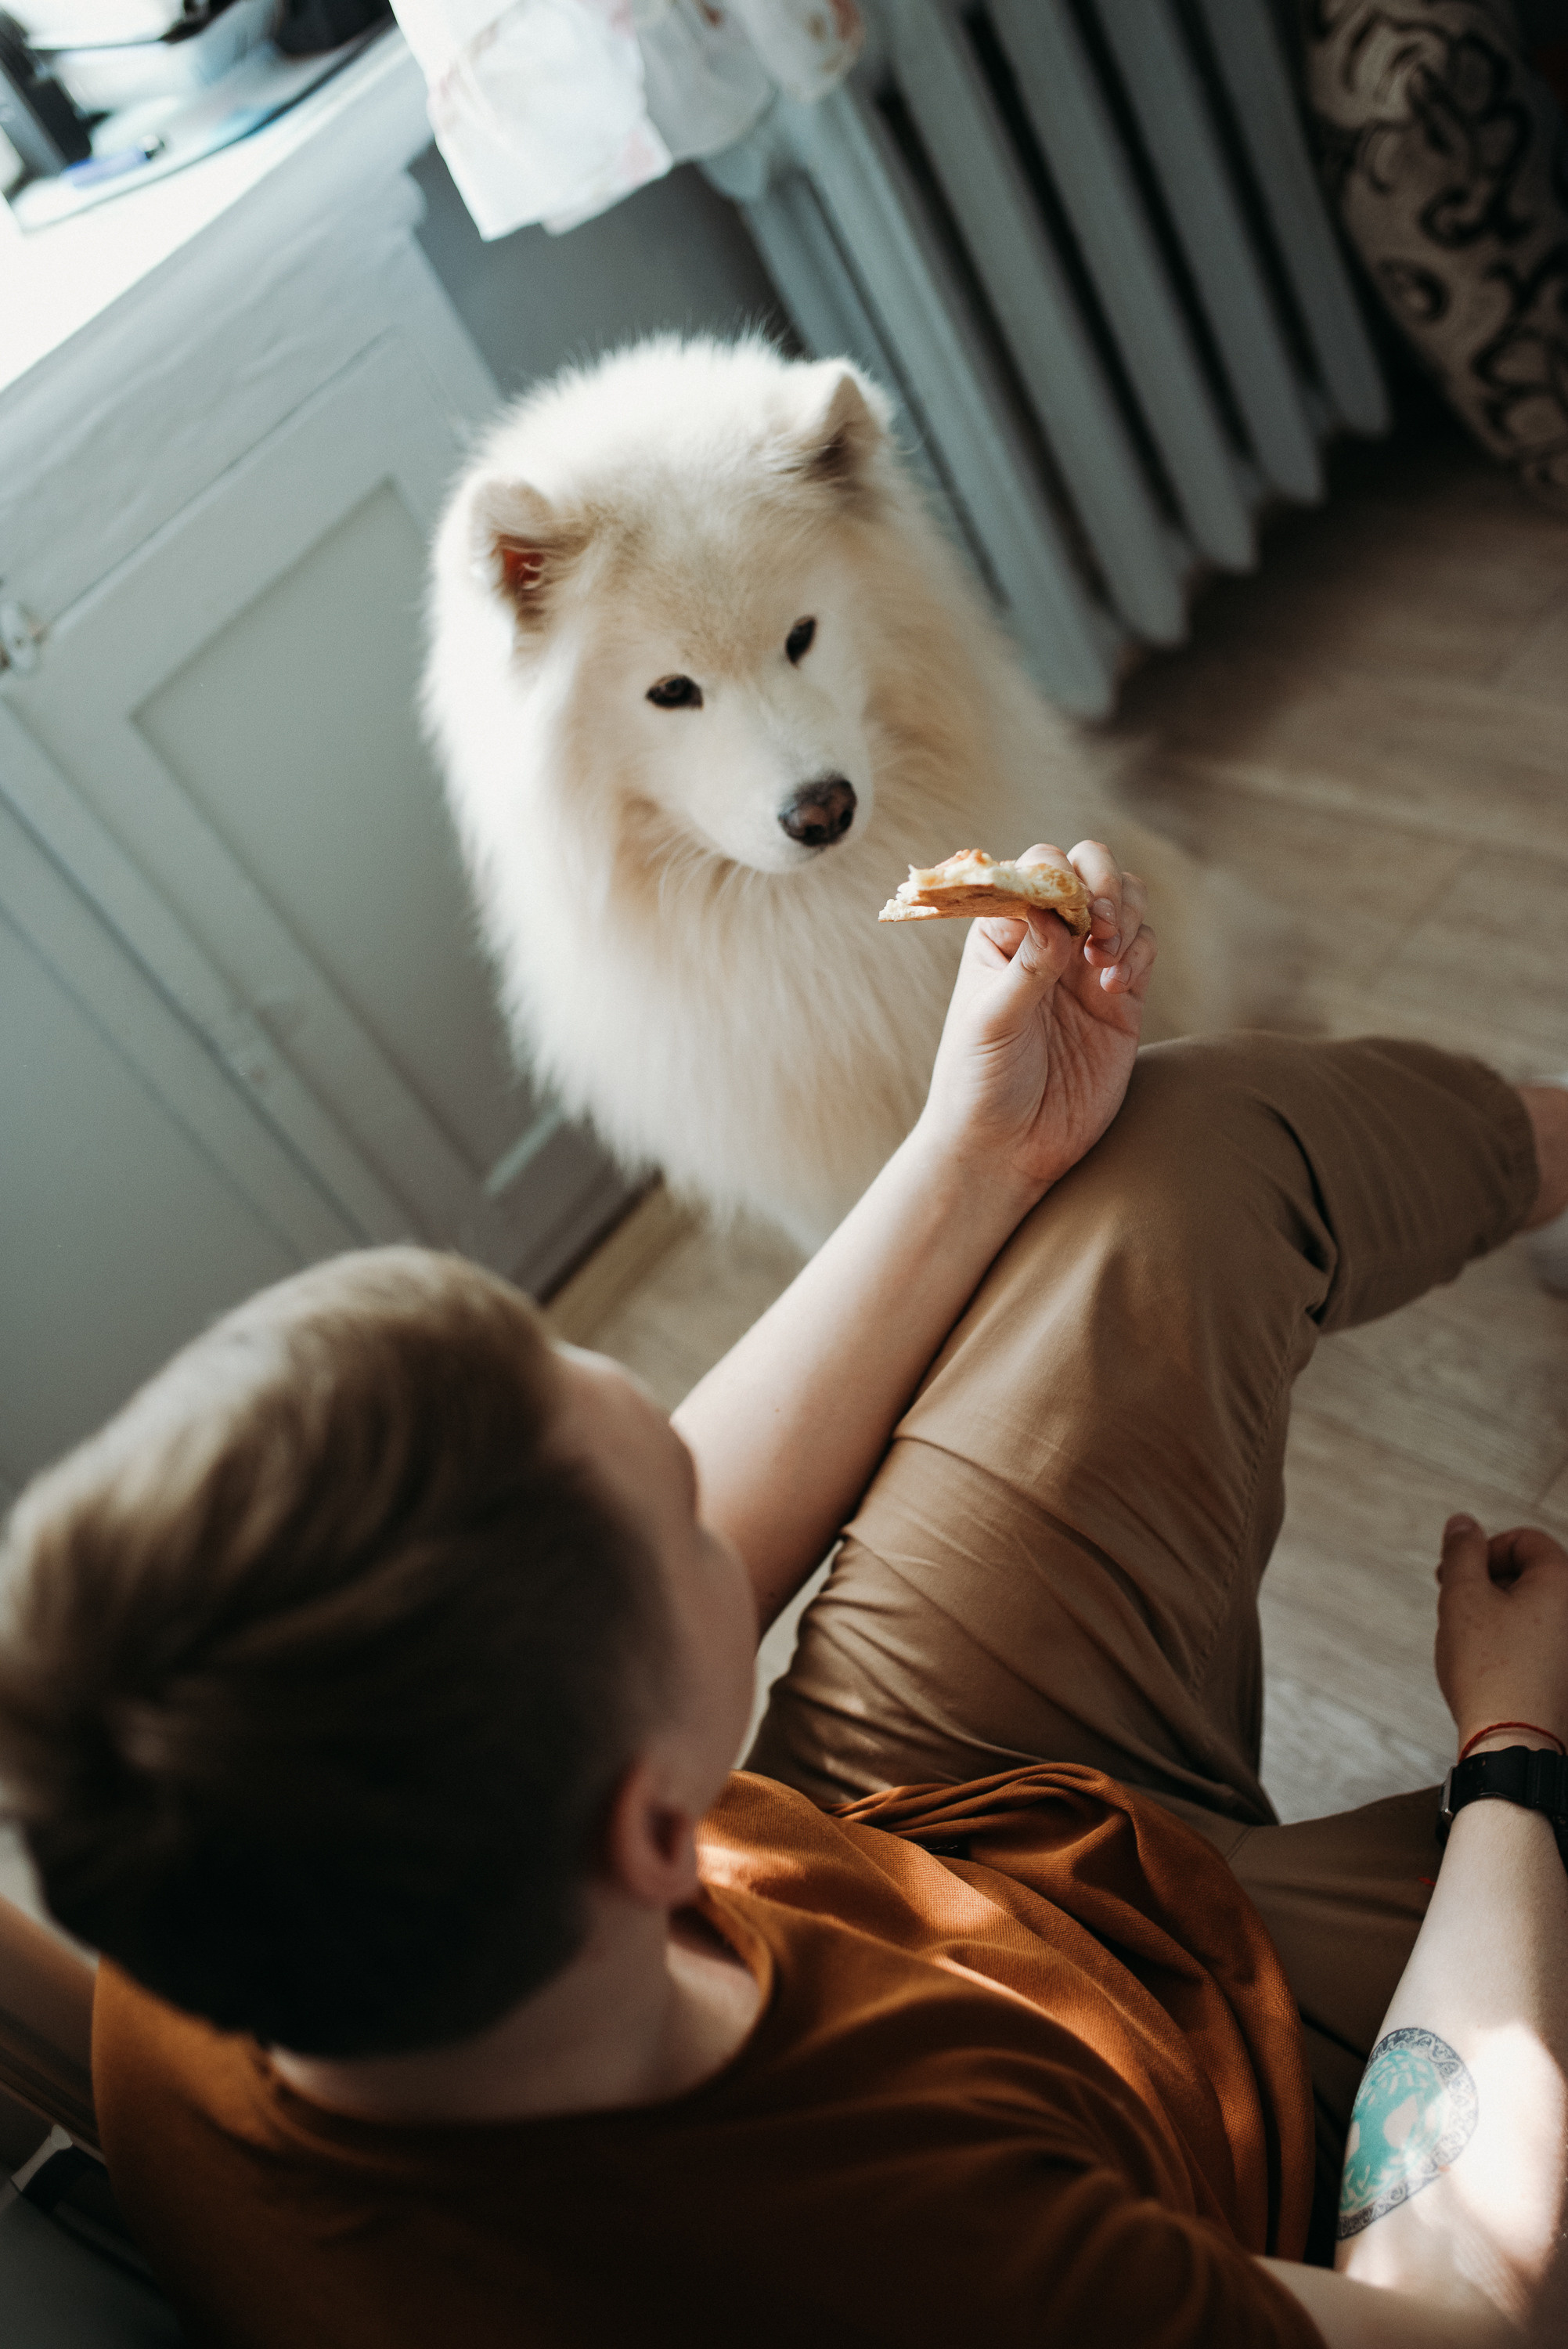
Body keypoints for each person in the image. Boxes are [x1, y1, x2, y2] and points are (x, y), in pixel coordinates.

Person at [0, 843, 1565, 2349]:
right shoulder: (925, 2270)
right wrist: (1511, 1753)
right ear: (645, 1827)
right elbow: (1463, 2313)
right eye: (683, 1513)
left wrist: (978, 1149)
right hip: (1216, 2103)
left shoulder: (191, 1873)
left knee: (1186, 1140)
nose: (710, 1496)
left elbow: (585, 1608)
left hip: (899, 1846)